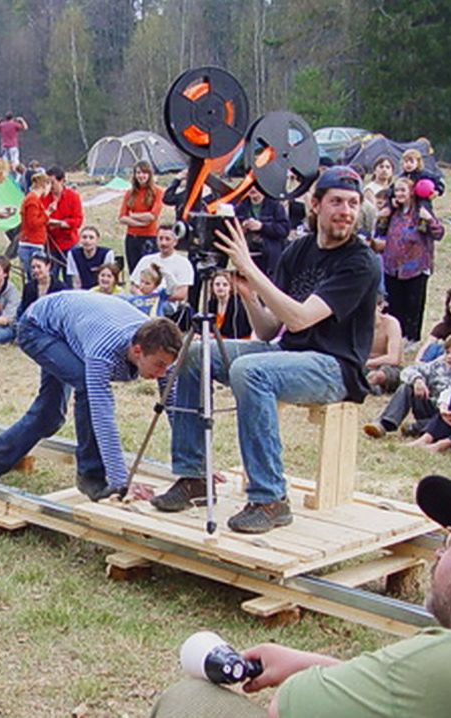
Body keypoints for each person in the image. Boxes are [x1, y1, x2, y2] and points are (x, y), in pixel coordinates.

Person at [150, 474, 451, 718]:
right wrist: (306, 660)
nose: (439, 556)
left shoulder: (439, 664)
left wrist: (308, 680)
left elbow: (285, 709)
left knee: (190, 701)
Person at [151, 167, 380, 533]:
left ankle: (270, 497)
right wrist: (247, 292)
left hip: (335, 368)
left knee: (250, 371)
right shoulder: (299, 250)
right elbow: (271, 328)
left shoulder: (360, 261)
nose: (347, 211)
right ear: (315, 204)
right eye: (337, 202)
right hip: (290, 354)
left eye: (353, 204)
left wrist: (251, 269)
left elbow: (302, 318)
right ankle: (194, 477)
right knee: (195, 353)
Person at [0, 292, 182, 500]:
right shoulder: (103, 351)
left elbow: (175, 406)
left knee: (49, 416)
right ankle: (91, 476)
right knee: (86, 388)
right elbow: (101, 414)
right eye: (159, 366)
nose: (163, 373)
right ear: (137, 351)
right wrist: (119, 480)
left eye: (168, 366)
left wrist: (195, 468)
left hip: (73, 326)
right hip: (37, 328)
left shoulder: (159, 349)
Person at [364, 333, 451, 439]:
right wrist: (417, 380)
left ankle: (417, 428)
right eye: (447, 352)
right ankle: (384, 424)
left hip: (448, 416)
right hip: (429, 406)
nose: (449, 357)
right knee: (407, 387)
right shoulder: (438, 365)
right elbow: (408, 370)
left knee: (443, 423)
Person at [375, 176, 443, 342]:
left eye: (403, 190)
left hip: (416, 266)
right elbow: (380, 232)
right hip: (392, 266)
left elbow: (439, 233)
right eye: (397, 190)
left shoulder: (421, 211)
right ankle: (393, 337)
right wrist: (381, 216)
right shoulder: (392, 211)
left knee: (413, 305)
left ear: (412, 192)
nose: (399, 193)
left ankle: (411, 338)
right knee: (393, 304)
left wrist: (430, 220)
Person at [117, 160, 165, 273]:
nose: (141, 176)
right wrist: (139, 223)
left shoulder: (157, 192)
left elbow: (152, 216)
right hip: (132, 237)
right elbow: (122, 217)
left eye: (144, 173)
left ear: (149, 174)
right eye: (138, 173)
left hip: (149, 237)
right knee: (134, 271)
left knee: (149, 272)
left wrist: (133, 215)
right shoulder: (130, 193)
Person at [234, 184, 291, 275]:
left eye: (256, 186)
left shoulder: (275, 205)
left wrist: (262, 226)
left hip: (270, 258)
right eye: (249, 186)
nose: (252, 189)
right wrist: (241, 227)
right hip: (248, 255)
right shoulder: (240, 207)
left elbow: (284, 230)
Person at [130, 226, 194, 303]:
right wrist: (144, 298)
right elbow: (134, 286)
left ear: (175, 242)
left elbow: (182, 293)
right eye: (160, 239)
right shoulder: (146, 260)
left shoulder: (183, 263)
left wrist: (158, 300)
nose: (163, 243)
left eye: (167, 239)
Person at [44, 166, 83, 264]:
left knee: (70, 276)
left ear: (62, 181)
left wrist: (61, 224)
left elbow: (78, 220)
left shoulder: (73, 196)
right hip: (50, 244)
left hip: (69, 243)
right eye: (47, 183)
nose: (49, 186)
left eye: (52, 183)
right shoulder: (43, 197)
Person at [365, 297, 404, 394]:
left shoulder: (391, 324)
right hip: (362, 367)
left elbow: (393, 358)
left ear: (380, 307)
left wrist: (368, 362)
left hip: (387, 367)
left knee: (380, 375)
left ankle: (367, 385)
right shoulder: (355, 323)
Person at [17, 172, 50, 270]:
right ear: (44, 185)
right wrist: (46, 215)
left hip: (30, 241)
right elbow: (33, 223)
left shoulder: (31, 198)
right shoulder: (33, 200)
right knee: (34, 274)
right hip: (32, 243)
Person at [17, 253, 66, 318]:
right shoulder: (28, 287)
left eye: (39, 267)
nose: (35, 270)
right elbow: (24, 310)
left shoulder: (60, 287)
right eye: (33, 267)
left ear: (48, 266)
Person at [66, 226, 113, 290]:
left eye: (91, 238)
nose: (87, 241)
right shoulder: (73, 254)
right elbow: (76, 280)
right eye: (84, 237)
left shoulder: (107, 254)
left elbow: (108, 279)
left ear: (97, 239)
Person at [208, 270, 250, 340]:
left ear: (230, 287)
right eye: (217, 284)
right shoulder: (211, 304)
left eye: (225, 285)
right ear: (212, 287)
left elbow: (239, 332)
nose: (221, 287)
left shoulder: (237, 305)